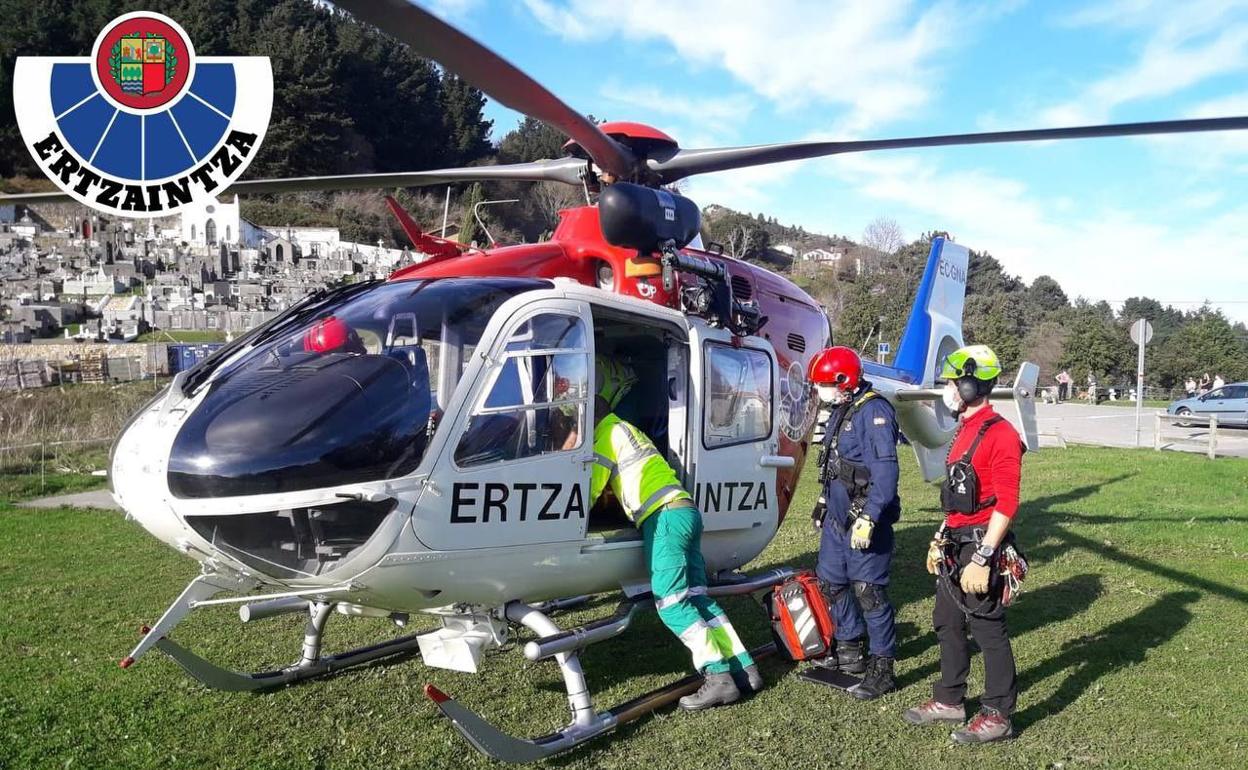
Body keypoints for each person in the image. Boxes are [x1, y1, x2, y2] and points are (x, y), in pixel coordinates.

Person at [590, 355, 761, 710]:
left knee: (671, 604)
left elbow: (589, 489)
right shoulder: (627, 429)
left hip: (663, 518)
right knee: (699, 597)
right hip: (685, 511)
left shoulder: (605, 433)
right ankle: (744, 667)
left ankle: (719, 678)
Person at [903, 344, 1025, 744]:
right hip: (955, 543)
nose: (949, 390)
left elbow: (1007, 503)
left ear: (972, 385)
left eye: (954, 382)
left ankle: (998, 714)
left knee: (988, 628)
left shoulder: (1002, 434)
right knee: (947, 621)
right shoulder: (965, 430)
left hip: (981, 545)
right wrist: (939, 537)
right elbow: (957, 497)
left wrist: (984, 557)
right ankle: (951, 699)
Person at [807, 346, 901, 700]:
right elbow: (835, 464)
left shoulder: (874, 411)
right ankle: (849, 653)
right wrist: (822, 502)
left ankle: (883, 665)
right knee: (832, 583)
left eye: (824, 384)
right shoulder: (843, 408)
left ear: (843, 381)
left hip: (863, 518)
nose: (819, 391)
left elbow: (885, 473)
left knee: (869, 592)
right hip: (836, 517)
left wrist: (870, 517)